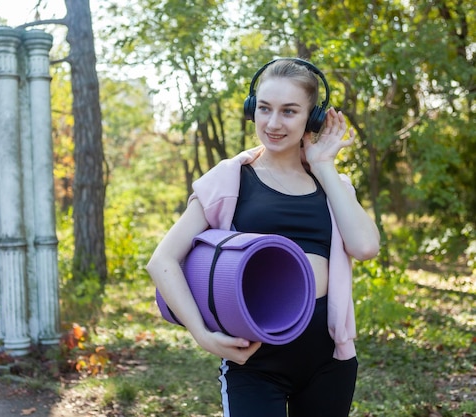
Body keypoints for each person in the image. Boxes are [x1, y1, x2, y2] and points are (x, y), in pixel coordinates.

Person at [146, 58, 380, 417]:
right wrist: (203, 336)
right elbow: (162, 261)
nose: (273, 123)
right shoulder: (229, 179)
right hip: (254, 363)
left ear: (311, 118)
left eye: (289, 111)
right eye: (265, 109)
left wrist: (323, 165)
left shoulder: (332, 184)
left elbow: (365, 247)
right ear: (251, 109)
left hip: (328, 361)